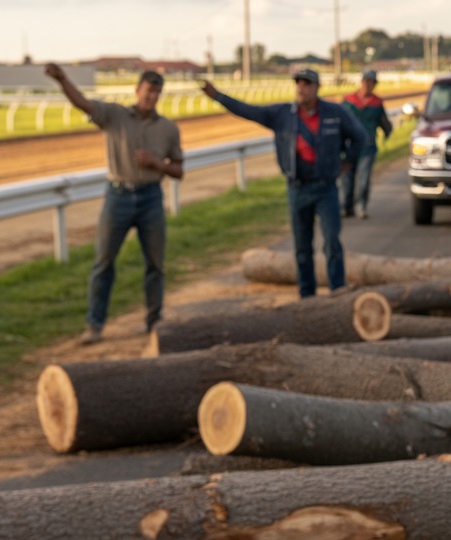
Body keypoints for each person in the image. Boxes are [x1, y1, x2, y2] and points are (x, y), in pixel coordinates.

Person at [44, 63, 183, 344]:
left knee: (155, 264)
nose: (151, 98)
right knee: (103, 262)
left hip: (151, 198)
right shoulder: (115, 115)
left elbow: (179, 170)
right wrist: (63, 80)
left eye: (156, 94)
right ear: (137, 91)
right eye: (148, 92)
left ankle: (154, 322)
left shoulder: (168, 128)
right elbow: (83, 104)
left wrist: (158, 163)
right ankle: (95, 325)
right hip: (117, 196)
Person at [200, 69, 368, 297]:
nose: (301, 88)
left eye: (307, 84)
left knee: (331, 242)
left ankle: (337, 290)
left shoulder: (334, 113)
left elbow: (359, 137)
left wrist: (347, 162)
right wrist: (218, 96)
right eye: (298, 83)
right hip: (297, 188)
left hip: (325, 187)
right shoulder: (283, 114)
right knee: (301, 247)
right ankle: (306, 296)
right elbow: (248, 111)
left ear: (317, 88)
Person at [340, 69, 393, 220]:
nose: (368, 85)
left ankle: (360, 206)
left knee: (363, 178)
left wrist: (387, 132)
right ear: (361, 82)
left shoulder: (377, 104)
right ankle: (346, 206)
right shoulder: (348, 101)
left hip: (367, 147)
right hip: (348, 146)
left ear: (375, 85)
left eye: (371, 82)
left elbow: (385, 124)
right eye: (366, 81)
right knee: (346, 177)